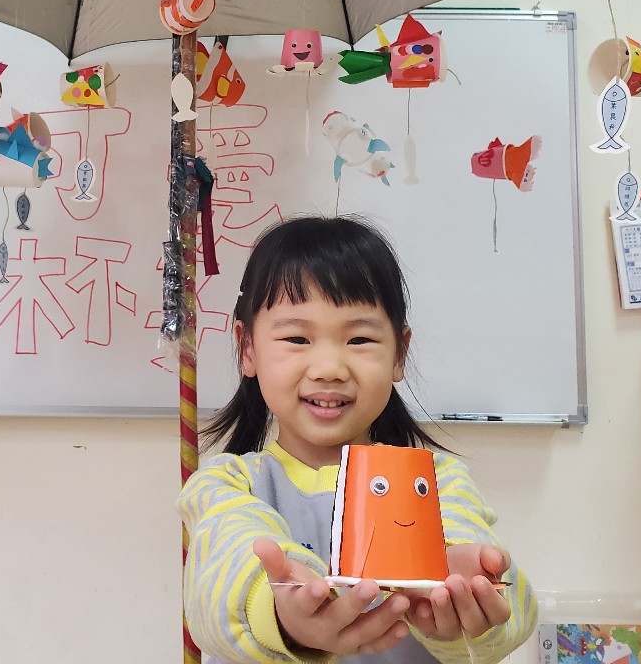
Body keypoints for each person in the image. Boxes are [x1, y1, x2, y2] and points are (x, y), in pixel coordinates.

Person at [179, 216, 536, 664]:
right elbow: (218, 593)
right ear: (247, 347)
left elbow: (509, 610)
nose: (329, 368)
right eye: (297, 338)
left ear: (399, 352)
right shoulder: (225, 485)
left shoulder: (436, 482)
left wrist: (470, 591)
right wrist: (283, 612)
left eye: (360, 338)